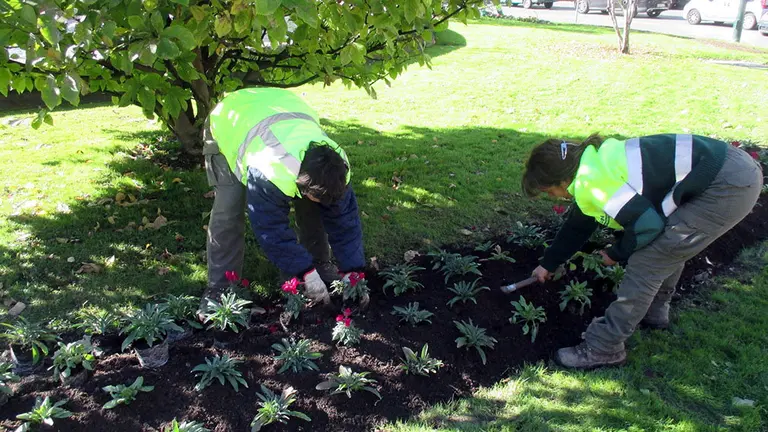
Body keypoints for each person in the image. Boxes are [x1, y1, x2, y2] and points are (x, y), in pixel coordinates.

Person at [522, 133, 762, 369]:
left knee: (649, 259)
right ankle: (655, 312)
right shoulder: (594, 163)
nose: (553, 197)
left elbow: (648, 226)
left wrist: (616, 253)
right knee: (666, 245)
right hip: (729, 166)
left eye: (549, 191)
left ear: (562, 180)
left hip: (725, 186)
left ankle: (603, 347)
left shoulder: (593, 183)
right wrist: (549, 263)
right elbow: (578, 224)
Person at [201, 87, 366, 312]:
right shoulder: (268, 170)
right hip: (230, 120)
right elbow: (270, 228)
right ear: (301, 183)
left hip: (283, 108)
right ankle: (219, 290)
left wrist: (353, 270)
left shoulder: (337, 167)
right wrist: (304, 271)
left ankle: (320, 264)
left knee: (314, 205)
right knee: (229, 208)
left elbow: (345, 221)